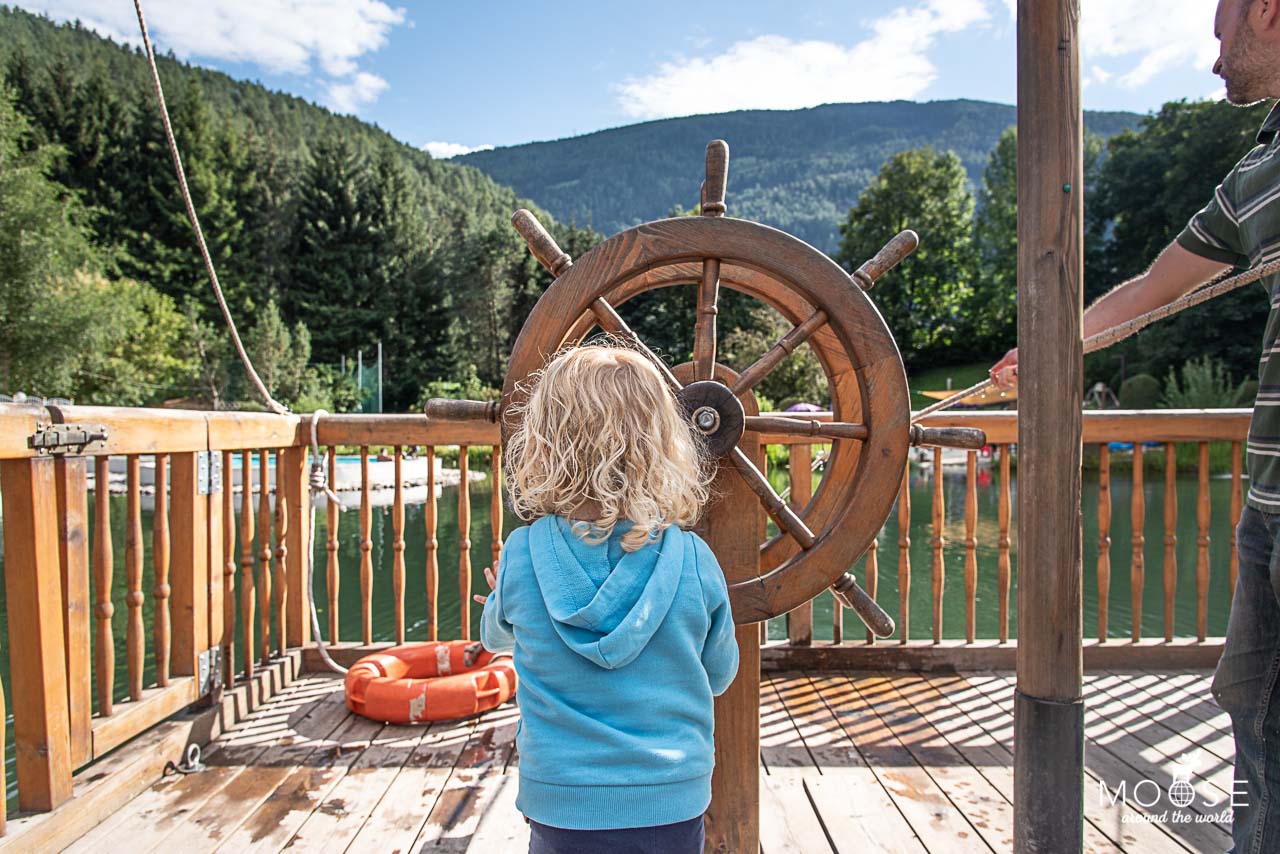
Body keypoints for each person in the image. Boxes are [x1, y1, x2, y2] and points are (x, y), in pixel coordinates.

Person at [990, 2, 1280, 849]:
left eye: (1221, 32)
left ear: (1267, 11)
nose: (1215, 58)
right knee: (1256, 723)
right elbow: (1154, 287)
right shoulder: (1255, 169)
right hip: (1267, 505)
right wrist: (1046, 344)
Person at [472, 343, 740, 854]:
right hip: (671, 798)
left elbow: (495, 639)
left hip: (560, 800)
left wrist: (500, 596)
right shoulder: (695, 560)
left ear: (545, 444)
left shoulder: (524, 554)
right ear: (663, 443)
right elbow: (720, 675)